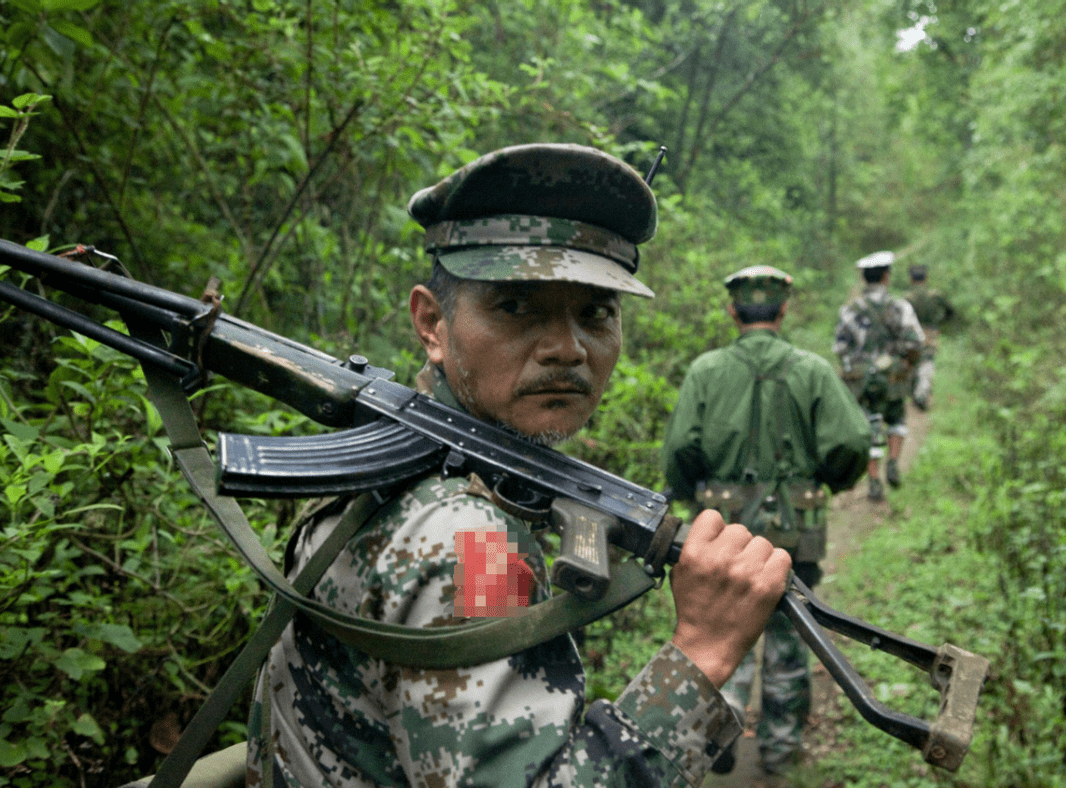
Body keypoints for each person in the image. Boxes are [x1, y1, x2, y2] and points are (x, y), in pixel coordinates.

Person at [245, 143, 792, 788]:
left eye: (596, 312)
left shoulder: (417, 469)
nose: (567, 347)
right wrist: (703, 649)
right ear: (432, 322)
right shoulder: (476, 547)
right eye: (515, 306)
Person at [660, 266, 871, 776]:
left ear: (733, 311)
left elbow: (681, 449)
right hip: (796, 526)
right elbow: (851, 442)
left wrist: (694, 496)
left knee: (721, 628)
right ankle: (778, 749)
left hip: (722, 526)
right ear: (784, 310)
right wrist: (828, 482)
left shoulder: (706, 371)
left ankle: (721, 728)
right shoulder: (813, 370)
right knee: (789, 632)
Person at [833, 251, 925, 501]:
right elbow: (916, 342)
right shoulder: (900, 307)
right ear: (886, 277)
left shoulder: (849, 310)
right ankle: (893, 463)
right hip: (894, 378)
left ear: (864, 279)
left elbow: (840, 347)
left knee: (868, 424)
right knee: (896, 420)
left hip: (861, 381)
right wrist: (905, 364)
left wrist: (857, 368)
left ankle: (873, 479)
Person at [904, 264, 955, 410]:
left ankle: (914, 392)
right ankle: (922, 394)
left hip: (912, 333)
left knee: (912, 362)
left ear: (911, 279)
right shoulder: (935, 295)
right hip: (930, 333)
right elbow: (950, 311)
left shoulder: (907, 298)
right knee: (927, 362)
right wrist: (940, 322)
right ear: (926, 278)